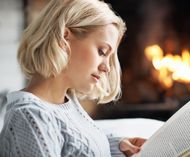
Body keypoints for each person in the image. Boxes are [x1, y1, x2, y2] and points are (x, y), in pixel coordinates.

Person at [0, 0, 146, 156]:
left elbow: (73, 146)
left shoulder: (66, 101)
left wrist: (118, 147)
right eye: (102, 51)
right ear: (64, 38)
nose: (107, 67)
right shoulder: (30, 117)